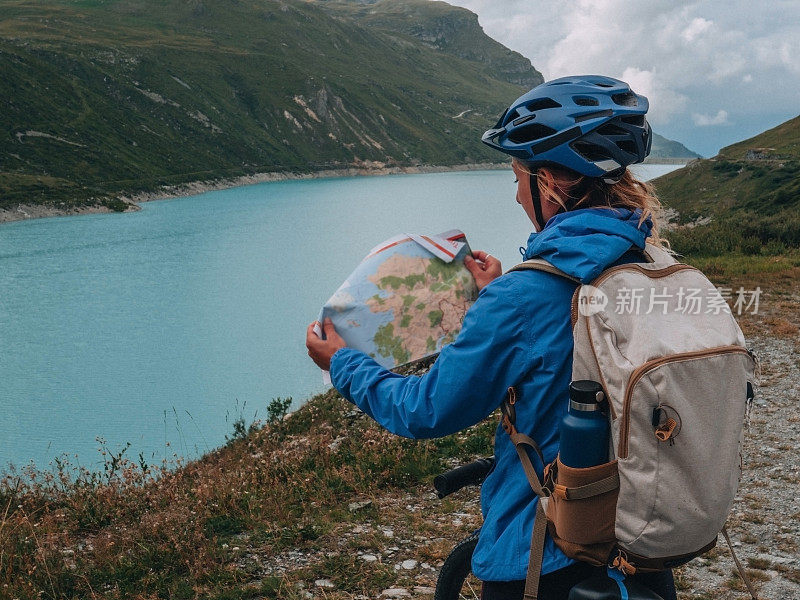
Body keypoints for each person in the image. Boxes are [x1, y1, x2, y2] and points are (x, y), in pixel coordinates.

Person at [306, 75, 677, 600]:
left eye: (517, 176)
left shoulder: (527, 297)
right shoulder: (647, 265)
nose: (516, 194)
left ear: (548, 183)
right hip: (640, 545)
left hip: (546, 556)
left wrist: (342, 362)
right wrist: (496, 295)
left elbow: (426, 408)